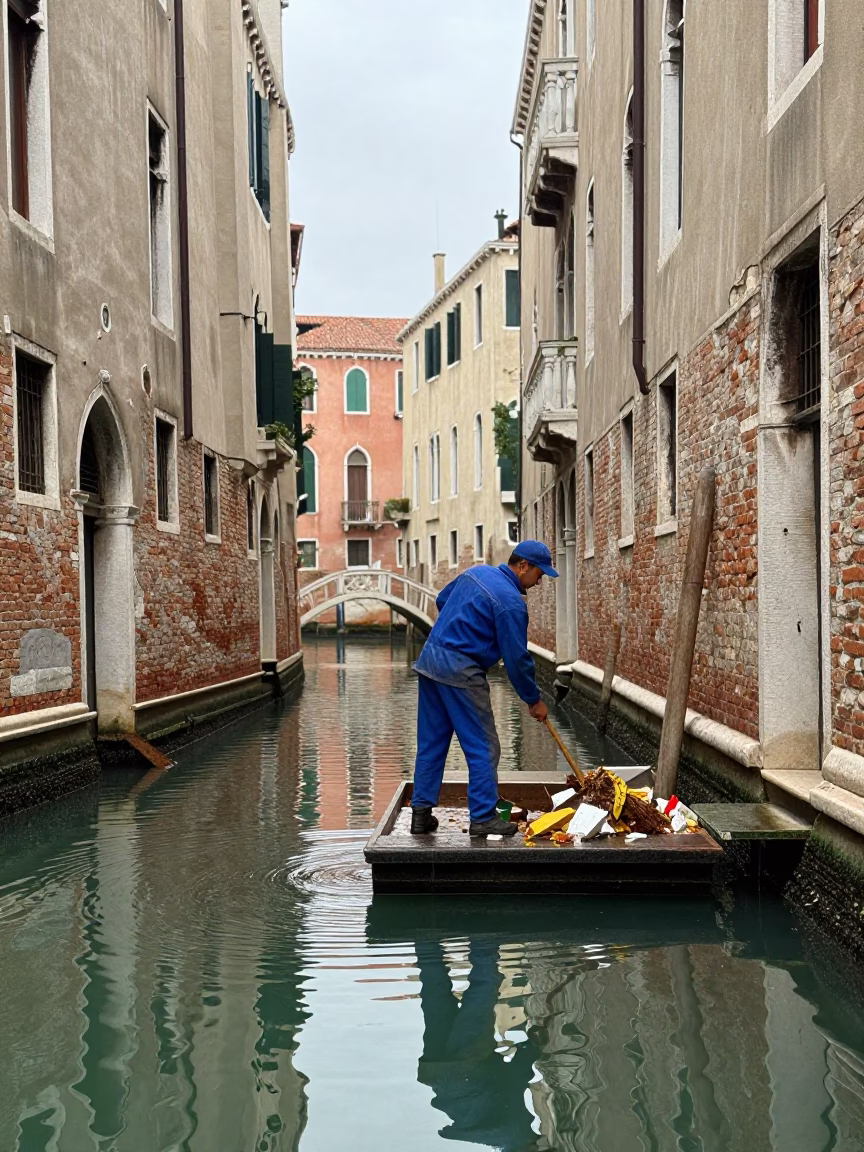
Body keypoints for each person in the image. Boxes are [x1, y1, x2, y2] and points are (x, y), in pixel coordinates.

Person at [410, 540, 557, 838]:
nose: (540, 581)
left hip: (430, 661)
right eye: (539, 574)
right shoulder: (512, 604)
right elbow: (517, 659)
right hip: (461, 671)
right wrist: (533, 700)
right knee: (484, 747)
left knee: (431, 743)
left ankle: (421, 815)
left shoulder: (475, 573)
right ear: (523, 566)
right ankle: (483, 817)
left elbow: (442, 600)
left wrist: (463, 626)